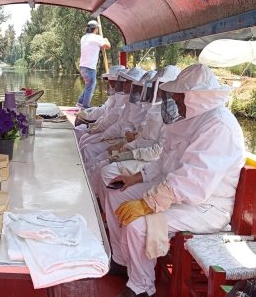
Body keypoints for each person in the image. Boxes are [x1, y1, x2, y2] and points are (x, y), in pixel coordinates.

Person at [104, 64, 245, 297]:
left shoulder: (218, 125)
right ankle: (121, 260)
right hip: (178, 194)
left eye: (180, 98)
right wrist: (135, 178)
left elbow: (192, 182)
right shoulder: (187, 119)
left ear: (194, 97)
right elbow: (164, 164)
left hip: (206, 207)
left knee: (138, 226)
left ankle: (141, 288)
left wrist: (147, 204)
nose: (176, 103)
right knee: (117, 194)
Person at [95, 66, 181, 211]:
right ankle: (103, 208)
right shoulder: (154, 108)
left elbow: (158, 151)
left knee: (106, 170)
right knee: (101, 163)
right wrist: (127, 146)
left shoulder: (173, 114)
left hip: (151, 162)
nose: (159, 90)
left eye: (162, 87)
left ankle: (106, 210)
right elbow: (141, 135)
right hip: (149, 160)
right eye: (158, 86)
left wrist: (131, 152)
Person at [77, 20, 111, 109]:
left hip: (82, 67)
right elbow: (108, 46)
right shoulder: (96, 38)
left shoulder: (83, 37)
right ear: (95, 28)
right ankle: (85, 106)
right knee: (91, 86)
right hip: (89, 67)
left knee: (88, 85)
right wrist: (106, 39)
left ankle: (80, 102)